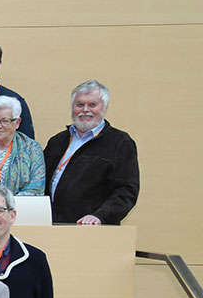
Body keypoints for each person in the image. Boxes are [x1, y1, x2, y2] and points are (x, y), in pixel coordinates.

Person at [43, 80, 140, 225]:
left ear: (104, 108)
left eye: (92, 105)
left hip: (91, 228)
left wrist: (100, 216)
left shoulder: (120, 143)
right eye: (80, 104)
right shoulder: (57, 141)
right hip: (52, 225)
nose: (85, 110)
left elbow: (126, 191)